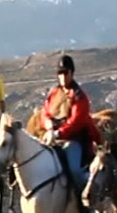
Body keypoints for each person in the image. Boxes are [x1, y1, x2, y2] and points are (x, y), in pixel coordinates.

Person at [41, 54, 101, 192]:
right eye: (59, 73)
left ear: (71, 73)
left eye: (65, 73)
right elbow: (45, 111)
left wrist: (57, 133)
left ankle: (84, 199)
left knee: (75, 170)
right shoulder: (54, 93)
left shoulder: (80, 96)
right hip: (53, 138)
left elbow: (76, 122)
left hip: (74, 140)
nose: (62, 76)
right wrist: (48, 123)